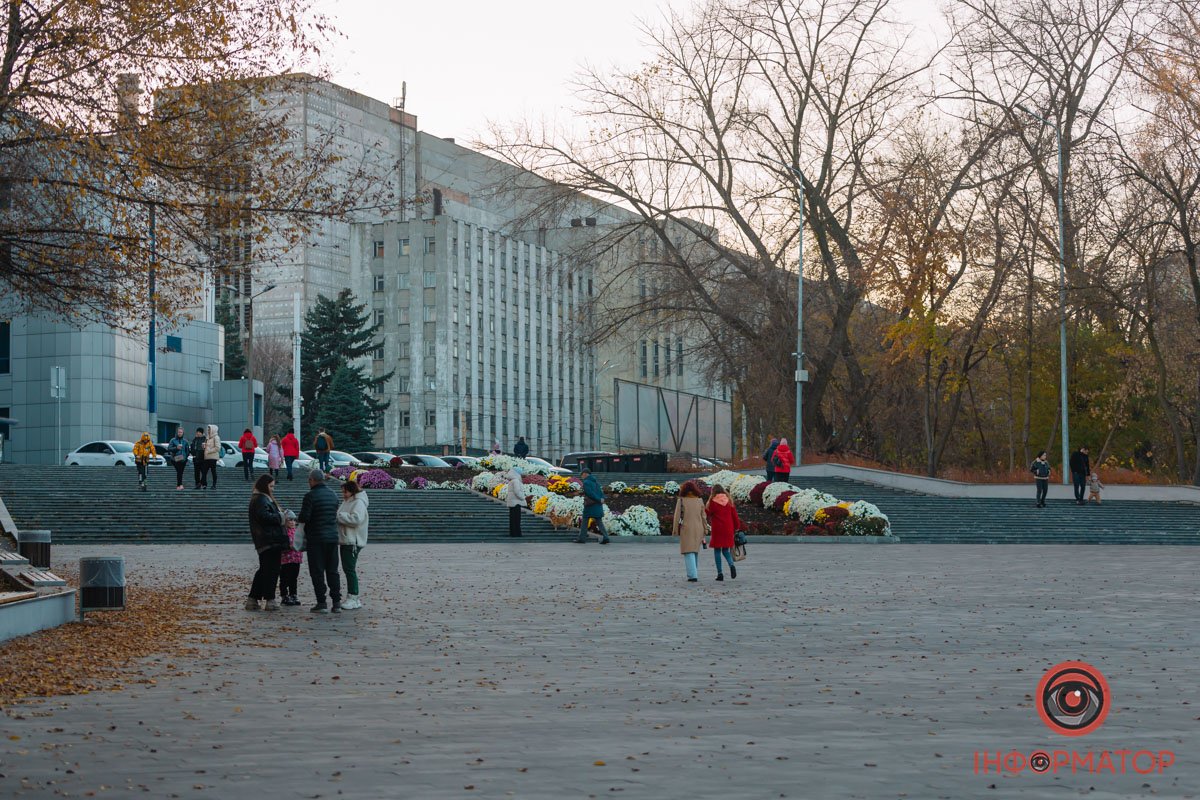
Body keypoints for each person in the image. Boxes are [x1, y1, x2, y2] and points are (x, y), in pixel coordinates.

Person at [299, 469, 341, 613]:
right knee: (333, 571)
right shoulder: (333, 494)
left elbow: (304, 517)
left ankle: (321, 602)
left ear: (312, 480)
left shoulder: (310, 496)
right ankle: (337, 603)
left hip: (316, 538)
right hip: (332, 538)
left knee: (317, 571)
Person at [246, 474, 288, 611]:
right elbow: (264, 516)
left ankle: (253, 599)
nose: (272, 489)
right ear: (265, 486)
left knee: (265, 569)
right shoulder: (261, 499)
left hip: (266, 539)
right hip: (269, 539)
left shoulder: (259, 498)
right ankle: (270, 599)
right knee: (271, 570)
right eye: (271, 486)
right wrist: (281, 516)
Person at [336, 480, 369, 610]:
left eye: (345, 491)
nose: (343, 494)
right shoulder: (349, 501)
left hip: (352, 540)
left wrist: (339, 516)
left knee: (349, 569)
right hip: (347, 539)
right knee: (348, 568)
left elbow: (356, 519)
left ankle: (353, 597)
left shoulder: (358, 503)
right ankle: (352, 596)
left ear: (352, 491)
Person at [671, 481, 708, 582]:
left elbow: (676, 517)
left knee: (688, 551)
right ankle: (694, 572)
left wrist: (675, 530)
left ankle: (693, 575)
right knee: (694, 551)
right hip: (699, 528)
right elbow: (704, 517)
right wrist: (706, 529)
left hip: (687, 528)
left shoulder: (681, 501)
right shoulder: (699, 500)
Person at [705, 483, 742, 581]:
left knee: (717, 551)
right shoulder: (729, 501)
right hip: (728, 529)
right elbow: (735, 516)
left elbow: (707, 513)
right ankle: (731, 565)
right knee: (725, 550)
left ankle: (720, 573)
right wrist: (737, 527)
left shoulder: (712, 502)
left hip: (718, 529)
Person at [575, 468, 610, 544]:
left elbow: (590, 493)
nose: (582, 477)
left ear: (585, 474)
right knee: (599, 521)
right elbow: (600, 492)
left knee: (585, 521)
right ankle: (606, 537)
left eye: (582, 475)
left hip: (590, 505)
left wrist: (598, 499)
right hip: (597, 505)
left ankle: (581, 539)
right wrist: (602, 499)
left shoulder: (586, 482)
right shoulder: (596, 482)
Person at [278, 510, 303, 606]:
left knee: (294, 578)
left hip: (296, 559)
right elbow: (281, 545)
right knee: (284, 578)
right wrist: (289, 547)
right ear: (285, 521)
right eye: (290, 520)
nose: (293, 522)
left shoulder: (297, 531)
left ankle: (293, 594)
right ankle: (284, 595)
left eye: (294, 520)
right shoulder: (283, 532)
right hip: (285, 559)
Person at [503, 467, 527, 537]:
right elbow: (517, 491)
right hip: (516, 502)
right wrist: (522, 497)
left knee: (512, 519)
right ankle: (517, 533)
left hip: (512, 502)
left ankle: (513, 533)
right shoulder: (516, 480)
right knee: (517, 519)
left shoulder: (512, 480)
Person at [167, 426, 190, 491]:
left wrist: (186, 457)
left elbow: (187, 450)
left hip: (183, 459)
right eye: (179, 432)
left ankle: (179, 485)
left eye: (181, 432)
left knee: (180, 472)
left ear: (183, 433)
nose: (180, 433)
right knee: (179, 471)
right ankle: (179, 485)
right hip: (175, 459)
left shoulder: (185, 441)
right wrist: (176, 448)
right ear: (177, 433)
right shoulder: (173, 440)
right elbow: (169, 449)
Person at [203, 424, 221, 491]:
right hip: (206, 457)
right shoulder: (207, 437)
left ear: (213, 429)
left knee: (213, 471)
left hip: (213, 457)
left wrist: (209, 451)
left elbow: (218, 448)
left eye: (209, 429)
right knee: (204, 471)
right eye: (208, 429)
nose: (208, 430)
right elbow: (207, 447)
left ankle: (214, 485)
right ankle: (204, 484)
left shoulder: (216, 437)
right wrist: (204, 447)